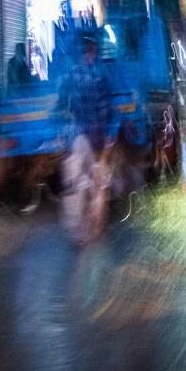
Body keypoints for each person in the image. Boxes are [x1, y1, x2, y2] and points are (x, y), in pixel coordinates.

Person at [58, 34, 114, 243]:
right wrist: (109, 136)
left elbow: (61, 105)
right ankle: (94, 226)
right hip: (93, 137)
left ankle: (79, 230)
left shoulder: (69, 76)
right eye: (92, 53)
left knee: (77, 183)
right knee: (96, 183)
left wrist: (62, 135)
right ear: (89, 53)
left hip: (78, 138)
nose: (93, 57)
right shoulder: (99, 77)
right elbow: (106, 109)